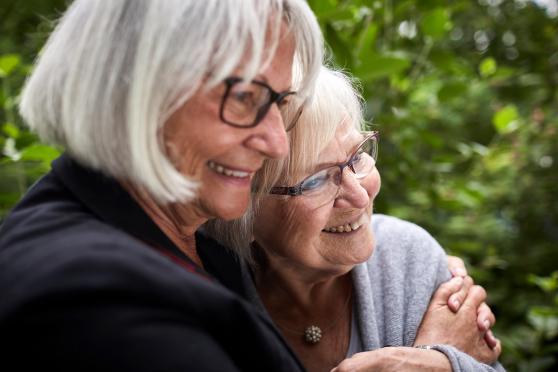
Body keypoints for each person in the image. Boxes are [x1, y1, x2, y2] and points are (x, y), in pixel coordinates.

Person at [0, 1, 324, 371]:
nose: (277, 142)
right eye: (243, 97)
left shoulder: (195, 241)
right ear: (133, 88)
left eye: (280, 102)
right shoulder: (97, 303)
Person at [204, 67, 504, 371]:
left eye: (356, 156)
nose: (360, 197)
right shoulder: (206, 299)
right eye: (316, 180)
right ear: (243, 207)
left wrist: (440, 363)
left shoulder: (408, 258)